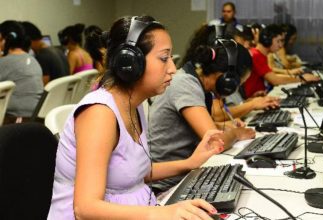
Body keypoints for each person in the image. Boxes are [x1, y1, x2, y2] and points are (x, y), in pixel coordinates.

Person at [48, 16, 223, 220]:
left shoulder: (135, 105)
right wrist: (162, 213)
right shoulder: (100, 113)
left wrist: (189, 163)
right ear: (131, 62)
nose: (173, 69)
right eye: (164, 58)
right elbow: (85, 209)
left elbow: (133, 172)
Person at [148, 39, 256, 194]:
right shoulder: (185, 84)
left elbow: (189, 128)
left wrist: (221, 126)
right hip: (165, 185)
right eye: (237, 84)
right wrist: (236, 134)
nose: (234, 89)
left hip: (184, 175)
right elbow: (215, 142)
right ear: (226, 78)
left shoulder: (196, 82)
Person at [244, 24, 320, 98]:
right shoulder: (256, 55)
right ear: (267, 40)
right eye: (278, 41)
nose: (281, 45)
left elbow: (273, 75)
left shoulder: (260, 55)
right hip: (254, 100)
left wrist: (297, 77)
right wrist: (301, 79)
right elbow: (275, 80)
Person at [212, 44, 280, 121]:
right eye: (238, 84)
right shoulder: (212, 87)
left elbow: (231, 107)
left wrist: (251, 101)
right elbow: (217, 115)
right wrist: (252, 104)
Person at [0, 20, 43, 123]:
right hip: (36, 118)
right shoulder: (32, 59)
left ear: (5, 40)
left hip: (16, 120)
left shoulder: (5, 62)